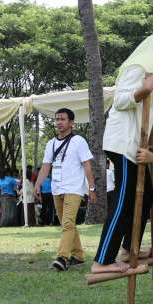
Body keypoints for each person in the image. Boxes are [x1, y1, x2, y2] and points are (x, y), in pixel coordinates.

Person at [91, 35, 153, 275]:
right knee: (122, 200)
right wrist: (144, 89)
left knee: (147, 195)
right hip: (121, 143)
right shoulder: (137, 67)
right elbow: (120, 101)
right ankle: (102, 260)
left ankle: (129, 248)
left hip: (133, 144)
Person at [34, 108, 96, 272]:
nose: (59, 122)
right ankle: (78, 255)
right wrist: (37, 184)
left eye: (62, 119)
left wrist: (91, 188)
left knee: (67, 224)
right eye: (57, 119)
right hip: (56, 189)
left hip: (74, 189)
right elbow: (46, 167)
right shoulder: (50, 144)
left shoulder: (79, 141)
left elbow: (87, 165)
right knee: (68, 224)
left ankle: (62, 257)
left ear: (71, 123)